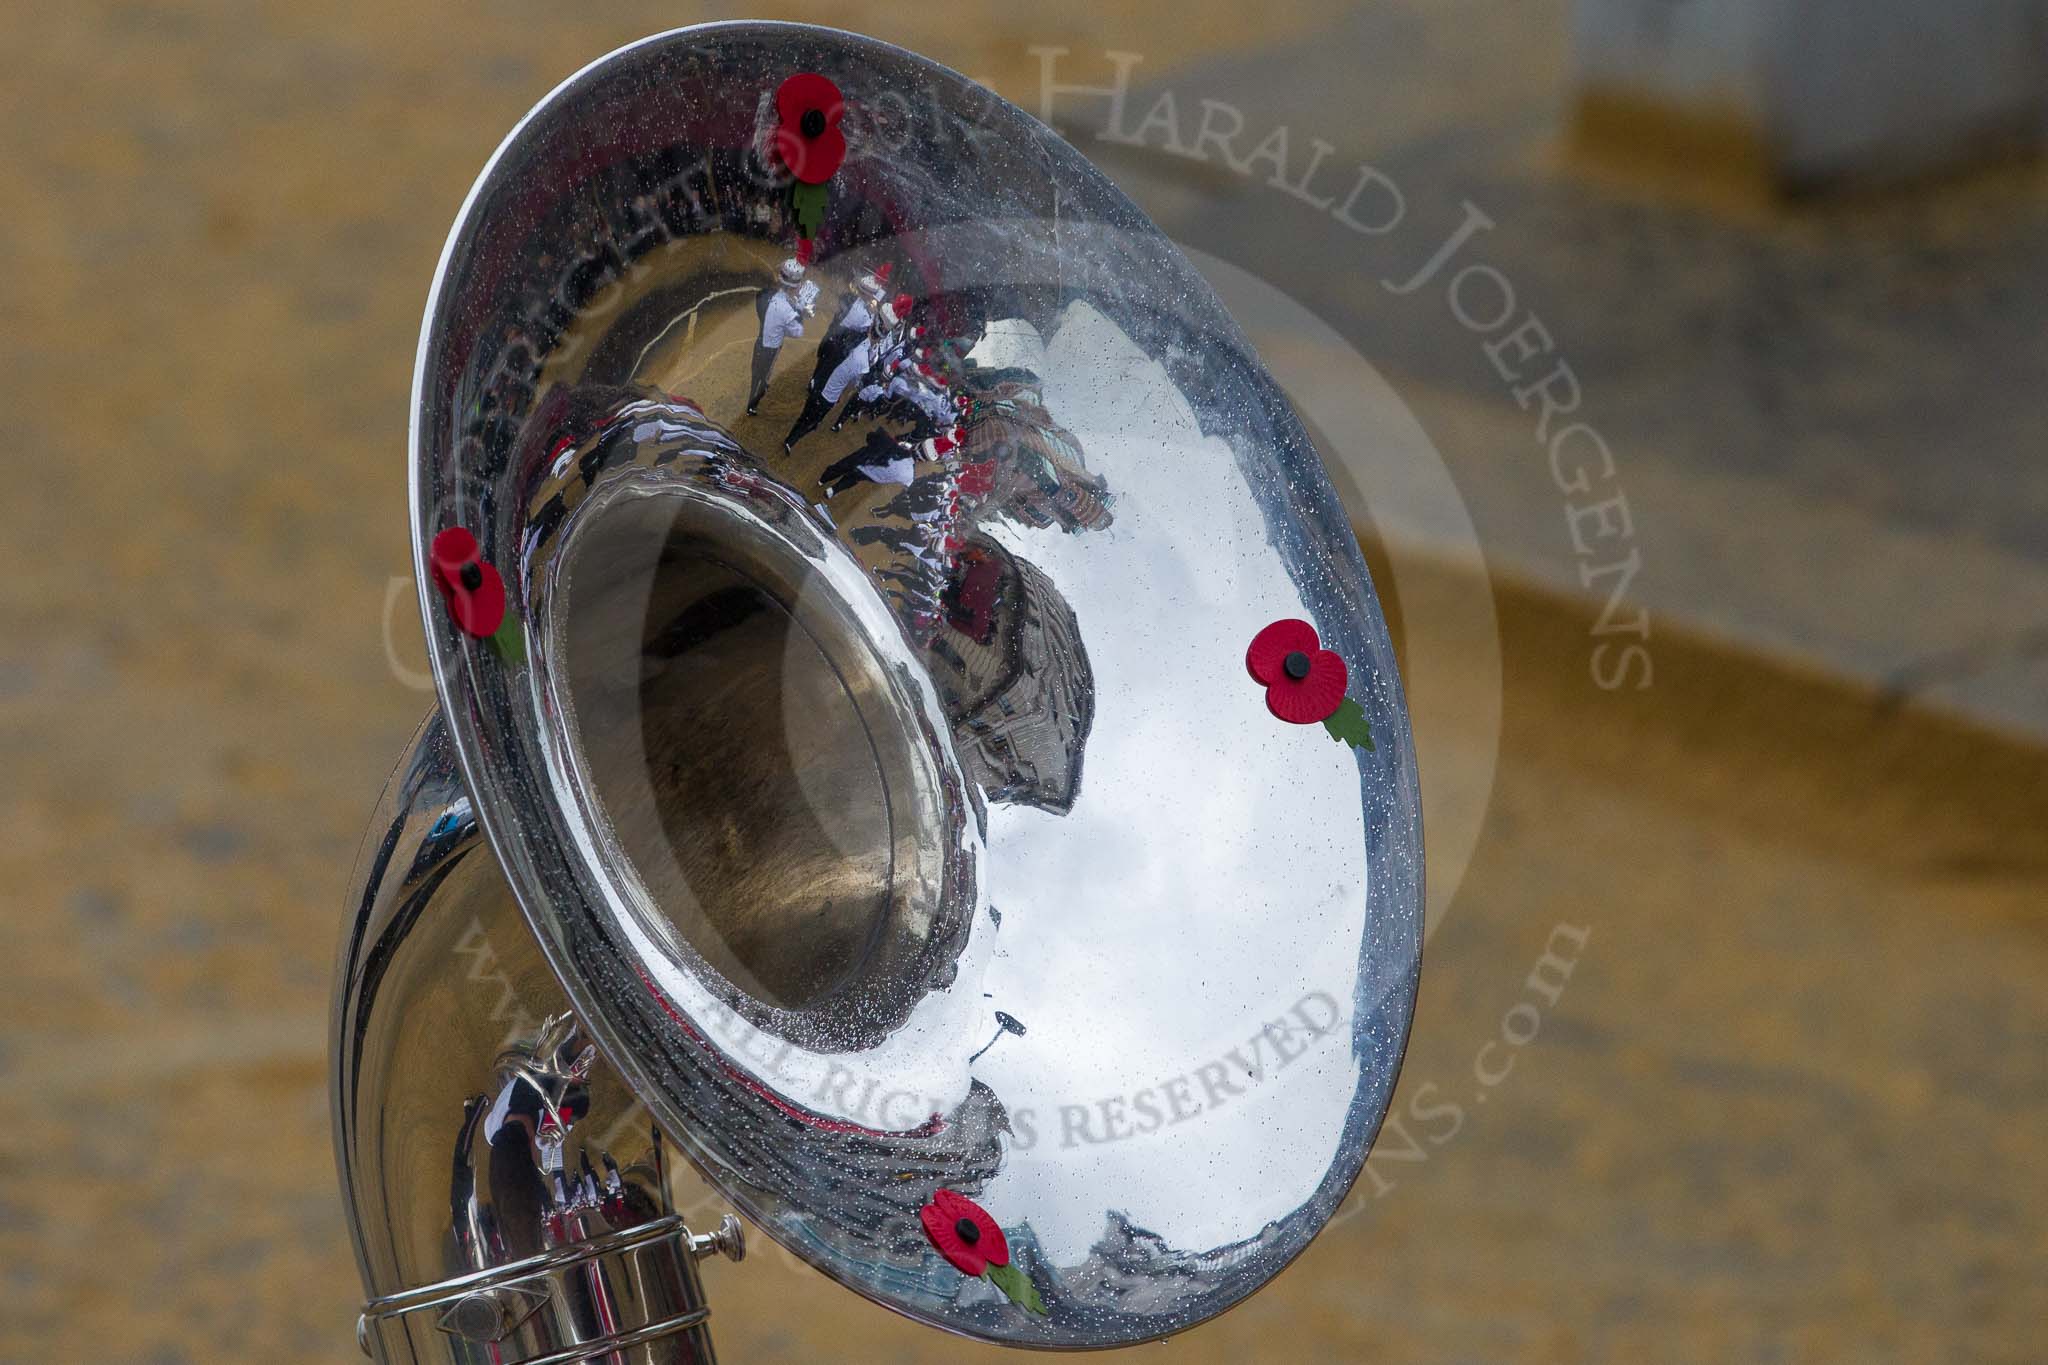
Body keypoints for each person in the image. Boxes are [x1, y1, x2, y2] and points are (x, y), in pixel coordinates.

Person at [784, 298, 898, 452]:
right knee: (813, 422)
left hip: (820, 383)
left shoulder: (851, 334)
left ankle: (791, 437)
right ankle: (792, 439)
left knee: (806, 415)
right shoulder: (864, 361)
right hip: (829, 396)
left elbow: (829, 352)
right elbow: (851, 385)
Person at [747, 258, 809, 415]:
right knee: (764, 377)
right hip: (770, 349)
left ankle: (754, 393)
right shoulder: (787, 310)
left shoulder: (765, 294)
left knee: (756, 372)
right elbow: (798, 332)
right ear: (795, 286)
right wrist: (799, 312)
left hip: (760, 341)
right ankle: (752, 405)